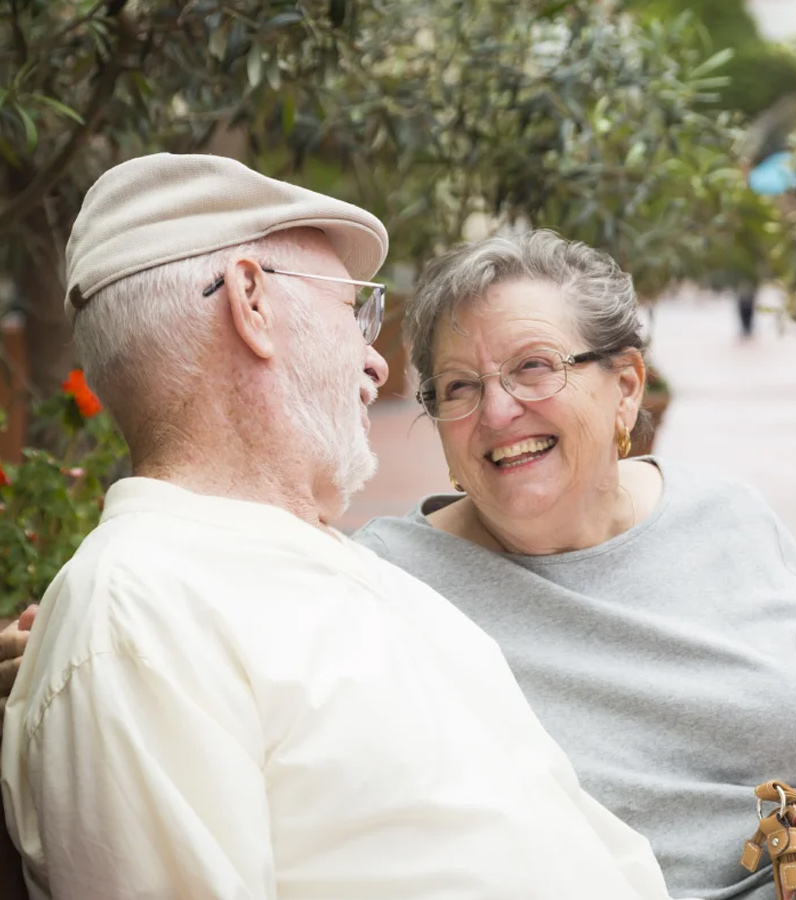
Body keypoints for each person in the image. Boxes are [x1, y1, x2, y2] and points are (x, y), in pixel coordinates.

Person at [0, 156, 686, 900]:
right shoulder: (140, 614)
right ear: (251, 302)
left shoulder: (333, 569)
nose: (375, 364)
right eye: (354, 313)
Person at [351, 231, 796, 900]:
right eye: (460, 387)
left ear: (625, 387)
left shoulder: (728, 516)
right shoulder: (389, 583)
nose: (498, 410)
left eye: (534, 367)